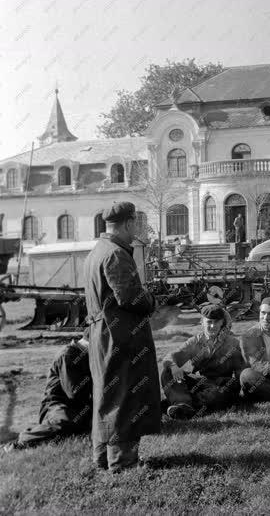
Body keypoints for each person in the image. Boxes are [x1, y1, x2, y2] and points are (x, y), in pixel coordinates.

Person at [83, 201, 160, 473]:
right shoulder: (116, 254)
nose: (136, 229)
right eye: (135, 224)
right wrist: (150, 297)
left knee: (105, 397)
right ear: (127, 224)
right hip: (119, 338)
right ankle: (123, 463)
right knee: (124, 398)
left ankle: (102, 458)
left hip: (101, 335)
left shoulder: (97, 251)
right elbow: (130, 297)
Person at [3, 328, 93, 452]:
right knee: (65, 423)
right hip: (57, 405)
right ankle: (23, 441)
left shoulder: (83, 354)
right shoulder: (68, 355)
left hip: (76, 404)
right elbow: (74, 393)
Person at [160, 304, 245, 419]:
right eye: (209, 322)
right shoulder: (194, 341)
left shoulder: (233, 343)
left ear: (222, 323)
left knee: (218, 394)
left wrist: (241, 392)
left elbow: (241, 372)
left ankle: (179, 405)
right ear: (202, 322)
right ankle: (183, 404)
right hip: (200, 383)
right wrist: (173, 365)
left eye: (216, 322)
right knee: (167, 372)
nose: (212, 326)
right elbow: (171, 356)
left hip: (221, 386)